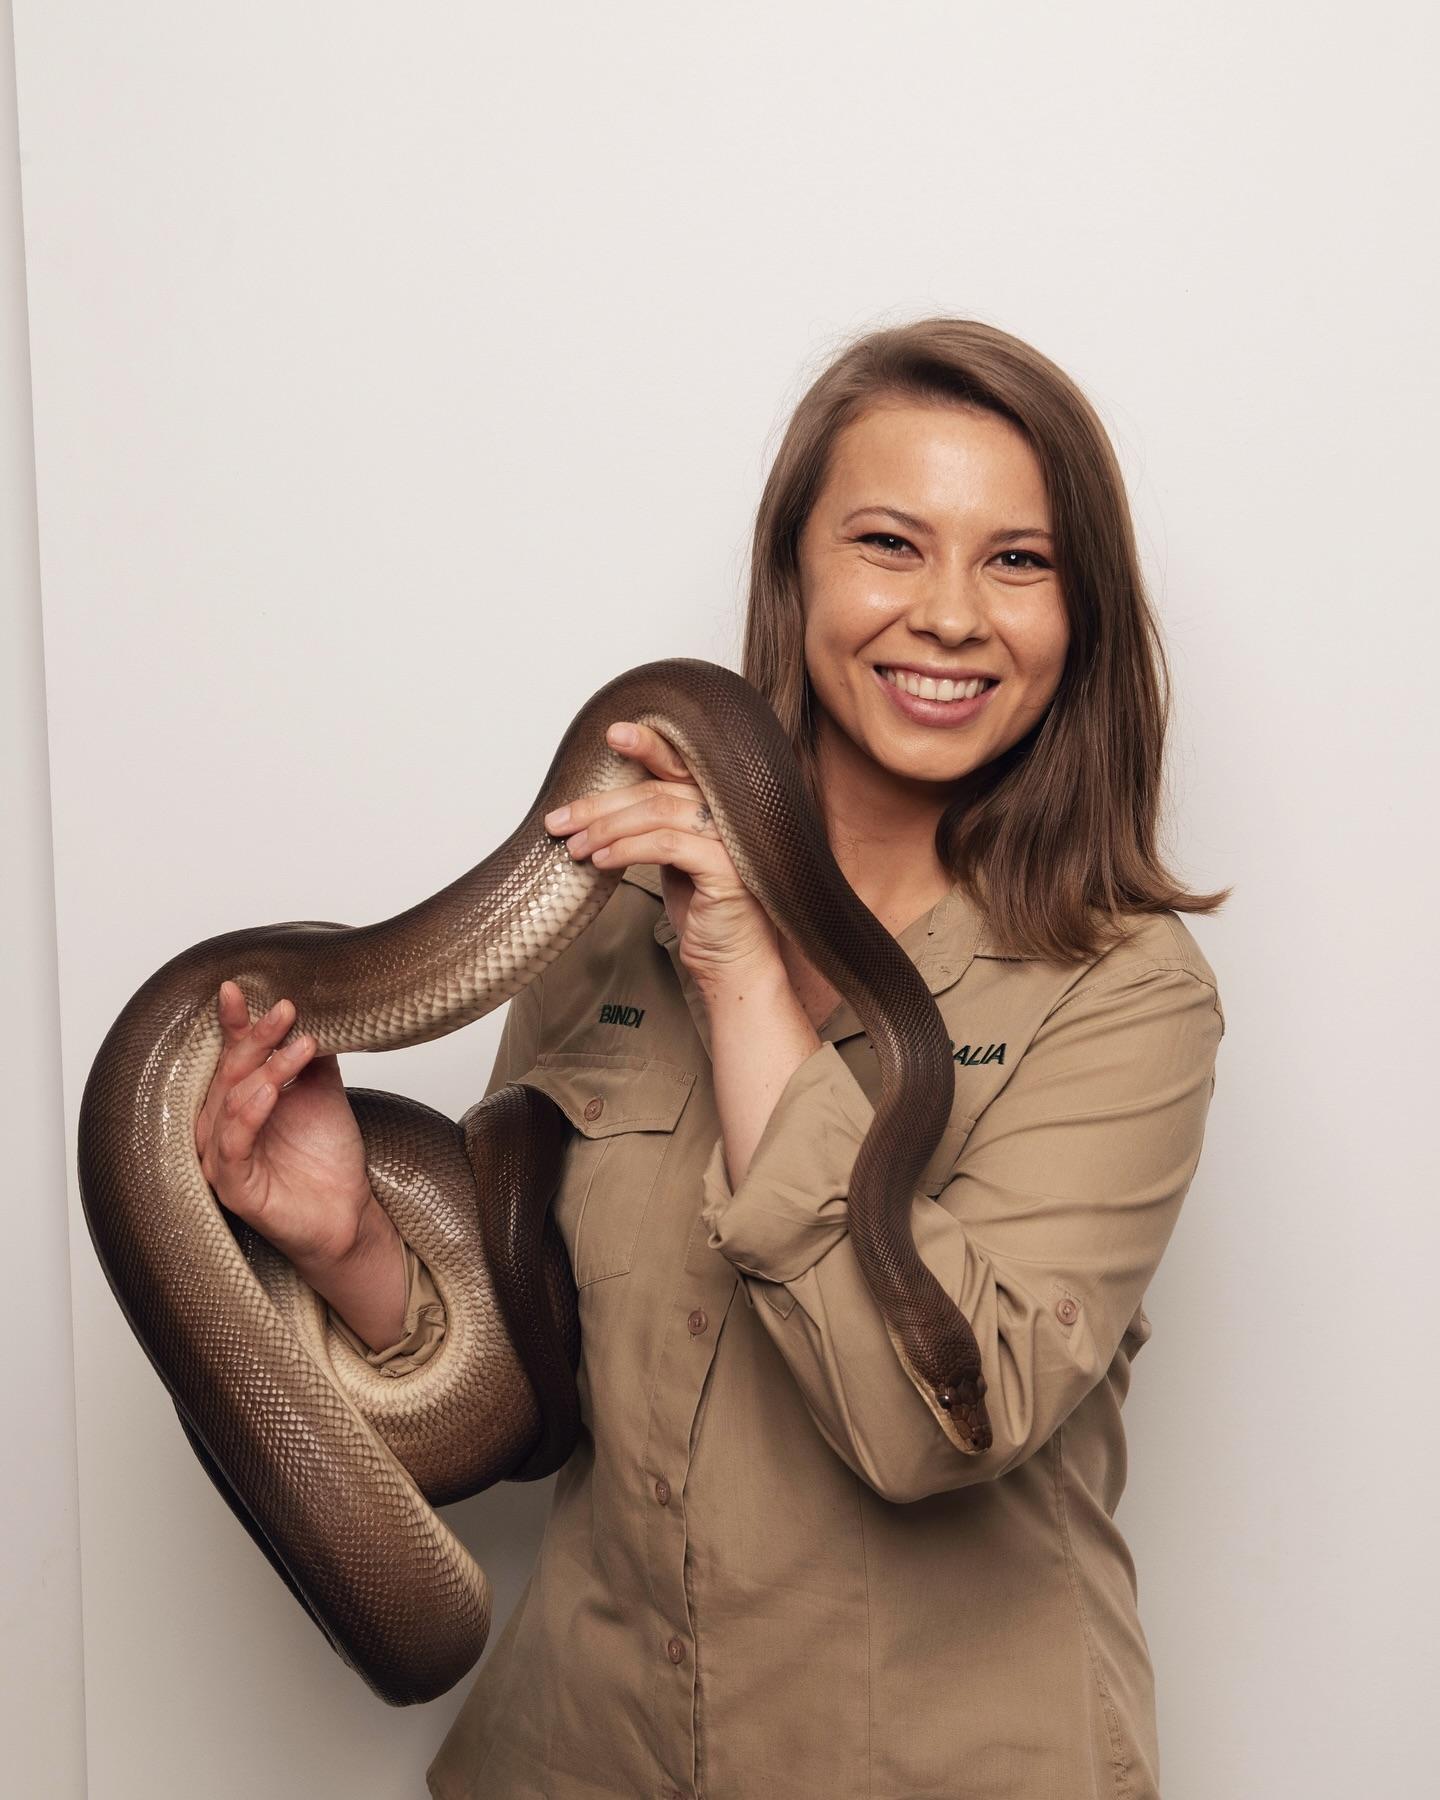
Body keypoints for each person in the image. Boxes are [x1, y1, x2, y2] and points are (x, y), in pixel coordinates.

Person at [196, 317, 1229, 1799]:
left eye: (1019, 560)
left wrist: (745, 973)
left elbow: (939, 1428)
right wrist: (355, 1242)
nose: (951, 614)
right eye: (889, 542)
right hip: (586, 1753)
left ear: (1082, 615)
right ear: (795, 574)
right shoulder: (608, 916)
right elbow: (536, 1392)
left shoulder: (1125, 993)